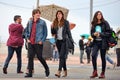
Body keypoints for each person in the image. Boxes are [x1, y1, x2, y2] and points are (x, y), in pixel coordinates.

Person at [24, 9, 49, 78]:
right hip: (30, 42)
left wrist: (42, 40)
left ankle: (47, 69)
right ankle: (30, 73)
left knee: (39, 57)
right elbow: (26, 31)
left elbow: (45, 33)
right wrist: (27, 38)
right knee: (30, 57)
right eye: (36, 13)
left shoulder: (43, 22)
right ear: (33, 14)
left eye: (39, 13)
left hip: (38, 42)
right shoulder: (29, 21)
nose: (38, 14)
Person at [51, 10, 74, 78]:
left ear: (62, 15)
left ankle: (59, 71)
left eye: (60, 14)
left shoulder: (66, 22)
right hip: (58, 41)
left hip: (64, 41)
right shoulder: (55, 22)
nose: (58, 15)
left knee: (61, 56)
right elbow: (53, 33)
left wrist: (71, 40)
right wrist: (52, 27)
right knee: (63, 57)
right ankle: (65, 71)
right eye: (57, 14)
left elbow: (69, 32)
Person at [90, 11, 111, 79]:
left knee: (103, 57)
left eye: (100, 14)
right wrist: (94, 34)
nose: (99, 15)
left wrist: (100, 34)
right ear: (96, 16)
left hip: (103, 42)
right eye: (98, 14)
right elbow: (91, 34)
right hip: (96, 42)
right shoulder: (94, 24)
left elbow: (109, 33)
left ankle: (102, 73)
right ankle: (95, 71)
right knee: (93, 55)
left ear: (101, 15)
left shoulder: (105, 23)